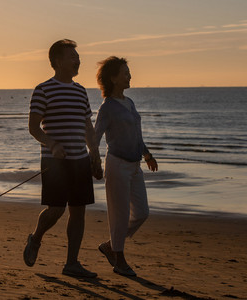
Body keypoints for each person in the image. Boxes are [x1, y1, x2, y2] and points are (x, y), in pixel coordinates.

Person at [23, 39, 102, 278]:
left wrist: (95, 155)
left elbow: (88, 126)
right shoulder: (43, 89)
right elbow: (33, 127)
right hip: (54, 162)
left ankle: (72, 263)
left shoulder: (80, 91)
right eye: (72, 56)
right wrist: (52, 144)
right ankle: (36, 238)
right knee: (56, 210)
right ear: (57, 61)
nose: (78, 60)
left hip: (79, 160)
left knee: (78, 212)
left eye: (78, 57)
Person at [94, 56, 158, 277]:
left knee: (141, 213)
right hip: (117, 165)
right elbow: (95, 137)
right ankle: (119, 260)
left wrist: (147, 154)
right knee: (119, 215)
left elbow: (136, 135)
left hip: (135, 165)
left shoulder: (129, 103)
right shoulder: (107, 107)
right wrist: (91, 160)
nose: (130, 76)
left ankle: (111, 246)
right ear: (113, 78)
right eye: (125, 72)